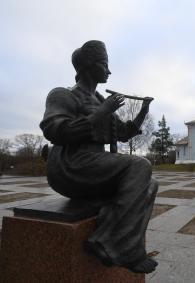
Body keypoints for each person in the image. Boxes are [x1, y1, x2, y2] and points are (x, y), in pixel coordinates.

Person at [40, 40, 158, 273]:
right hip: (70, 164)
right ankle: (126, 251)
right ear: (88, 66)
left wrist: (143, 110)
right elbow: (55, 130)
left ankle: (104, 241)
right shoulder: (63, 94)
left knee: (150, 185)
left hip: (94, 165)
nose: (109, 71)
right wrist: (104, 112)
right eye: (105, 65)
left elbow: (124, 133)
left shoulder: (99, 100)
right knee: (140, 166)